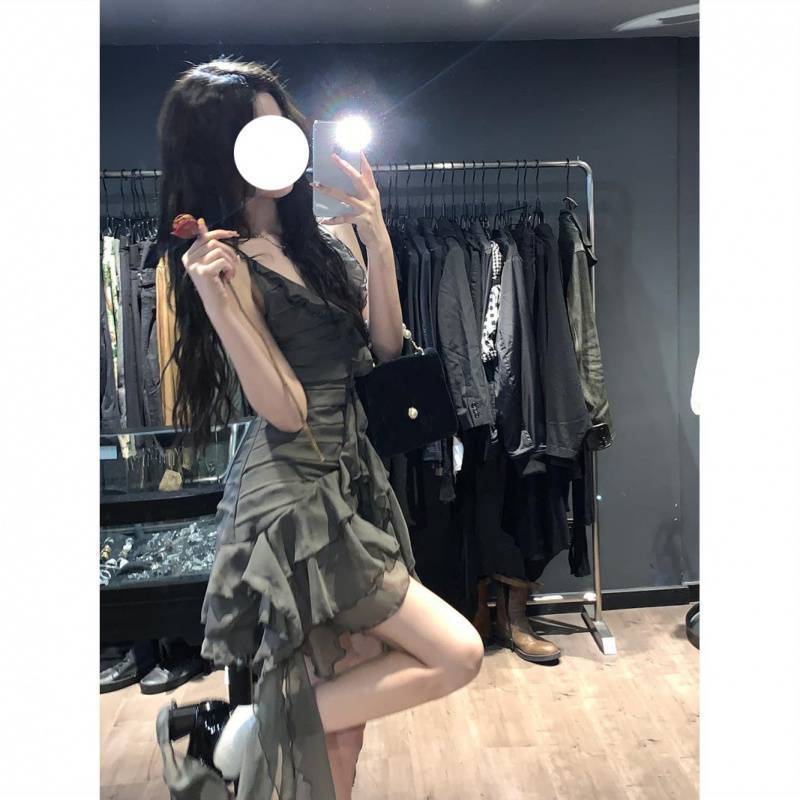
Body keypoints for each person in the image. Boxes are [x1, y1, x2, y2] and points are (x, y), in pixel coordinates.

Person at [152, 57, 484, 800]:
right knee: (457, 652)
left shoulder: (321, 239)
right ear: (220, 150)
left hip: (350, 475)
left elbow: (387, 347)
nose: (280, 146)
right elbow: (285, 410)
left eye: (283, 127)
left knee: (344, 731)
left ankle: (240, 732)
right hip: (295, 499)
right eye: (257, 132)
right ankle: (249, 727)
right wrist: (219, 305)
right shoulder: (226, 262)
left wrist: (378, 240)